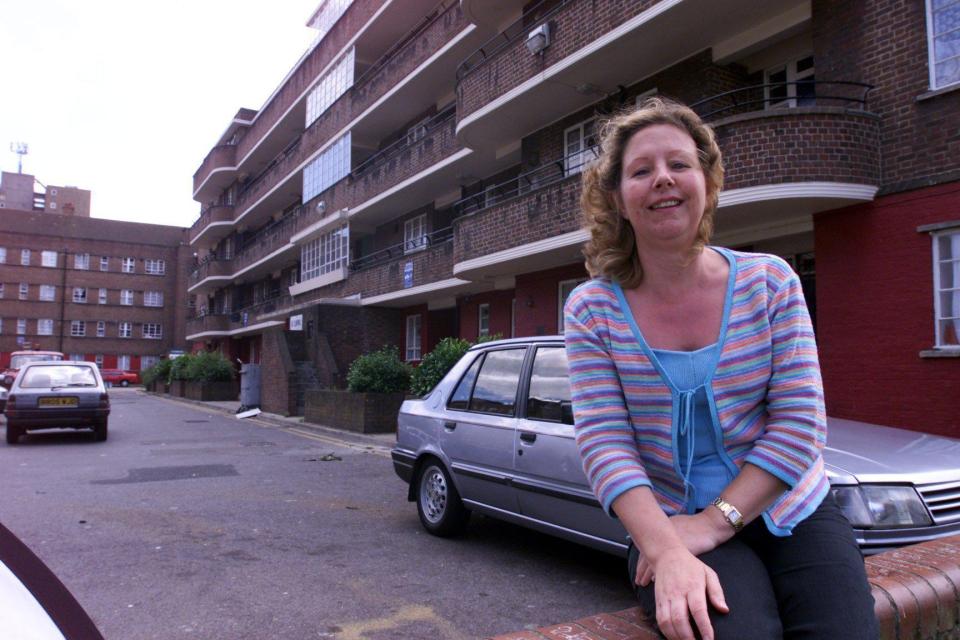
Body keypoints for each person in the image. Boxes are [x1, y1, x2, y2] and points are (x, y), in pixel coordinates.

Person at [563, 98, 878, 640]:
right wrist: (665, 550)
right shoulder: (592, 309)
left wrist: (711, 524)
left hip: (790, 508)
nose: (663, 179)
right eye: (642, 171)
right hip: (668, 524)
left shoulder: (771, 282)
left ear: (707, 181)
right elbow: (605, 444)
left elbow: (801, 423)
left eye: (679, 164)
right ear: (616, 197)